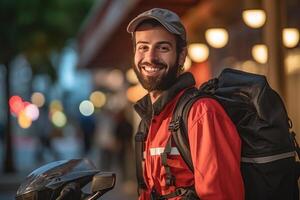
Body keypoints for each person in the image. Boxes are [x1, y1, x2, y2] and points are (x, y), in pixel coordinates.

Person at [126, 8, 244, 200]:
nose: (150, 57)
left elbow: (221, 195)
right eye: (143, 47)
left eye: (163, 47)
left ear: (181, 56)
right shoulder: (149, 121)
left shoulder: (201, 113)